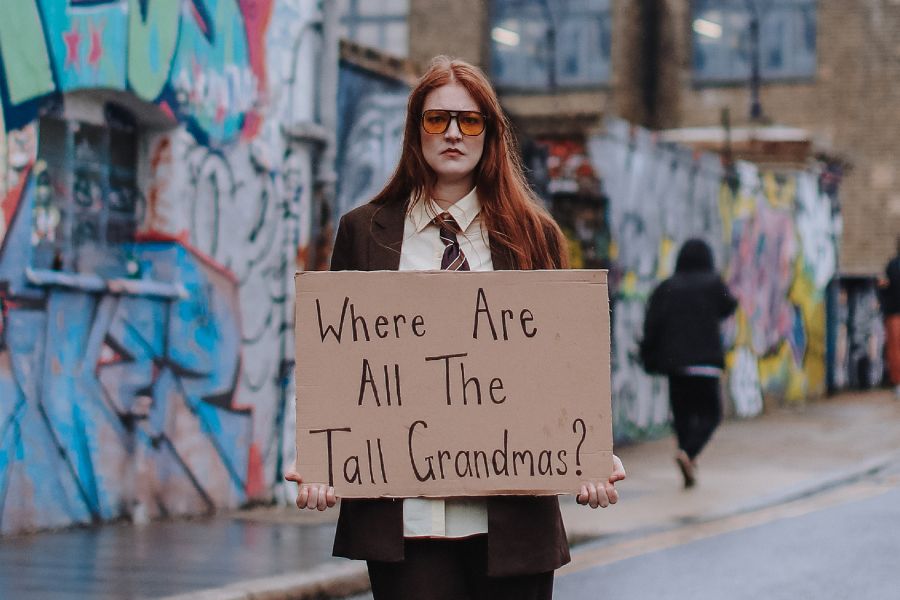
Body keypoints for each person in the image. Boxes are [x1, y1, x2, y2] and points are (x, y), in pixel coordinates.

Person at [285, 56, 626, 600]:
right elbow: (343, 364)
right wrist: (322, 456)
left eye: (469, 121)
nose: (451, 133)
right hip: (404, 519)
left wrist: (587, 450)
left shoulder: (533, 234)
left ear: (489, 134)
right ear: (414, 129)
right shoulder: (363, 232)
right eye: (435, 118)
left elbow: (559, 366)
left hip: (512, 520)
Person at [640, 238, 737, 488]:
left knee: (682, 416)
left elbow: (652, 325)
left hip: (676, 366)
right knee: (712, 415)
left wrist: (649, 357)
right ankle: (689, 454)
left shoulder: (667, 287)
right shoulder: (713, 284)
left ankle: (686, 457)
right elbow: (730, 305)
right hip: (706, 365)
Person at [879, 235, 900, 398]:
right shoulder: (892, 265)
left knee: (895, 350)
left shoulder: (892, 265)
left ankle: (898, 383)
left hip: (894, 314)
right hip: (893, 314)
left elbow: (883, 288)